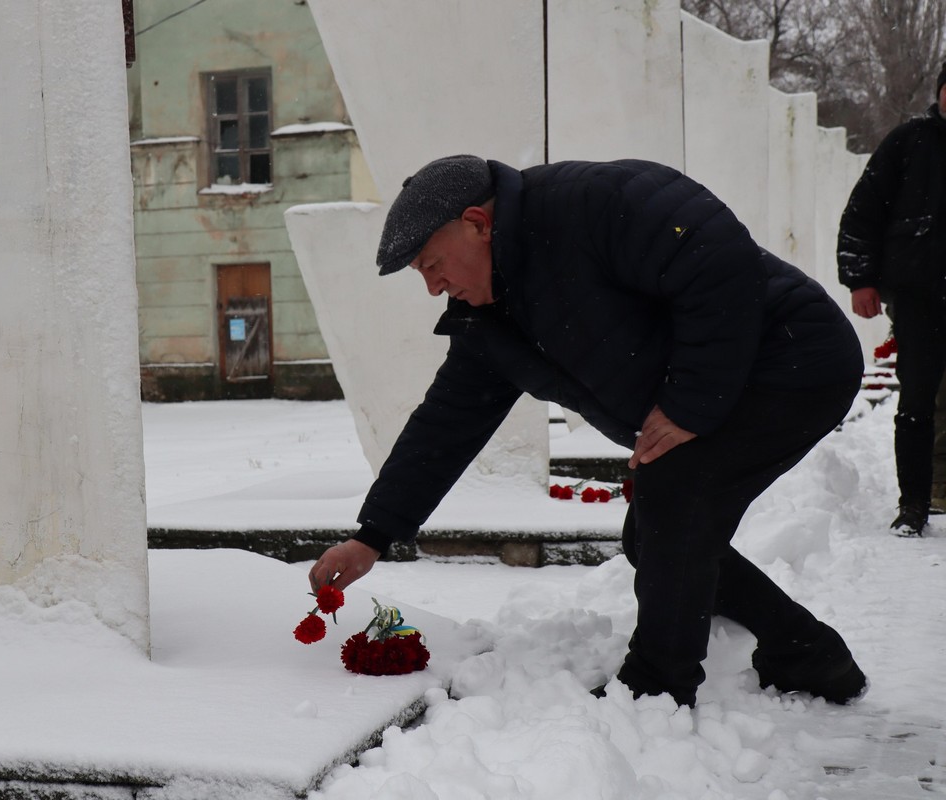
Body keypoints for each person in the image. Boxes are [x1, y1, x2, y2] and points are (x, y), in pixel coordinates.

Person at [308, 154, 868, 708]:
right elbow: (446, 424)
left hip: (795, 360)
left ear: (477, 224)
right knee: (650, 535)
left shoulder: (591, 201)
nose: (433, 287)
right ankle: (807, 652)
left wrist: (689, 403)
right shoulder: (490, 318)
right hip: (734, 384)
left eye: (433, 265)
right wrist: (373, 535)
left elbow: (715, 256)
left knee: (675, 495)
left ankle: (656, 691)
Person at [837, 61, 946, 538]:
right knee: (917, 403)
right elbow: (863, 214)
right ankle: (914, 505)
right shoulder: (908, 143)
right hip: (921, 297)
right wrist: (861, 279)